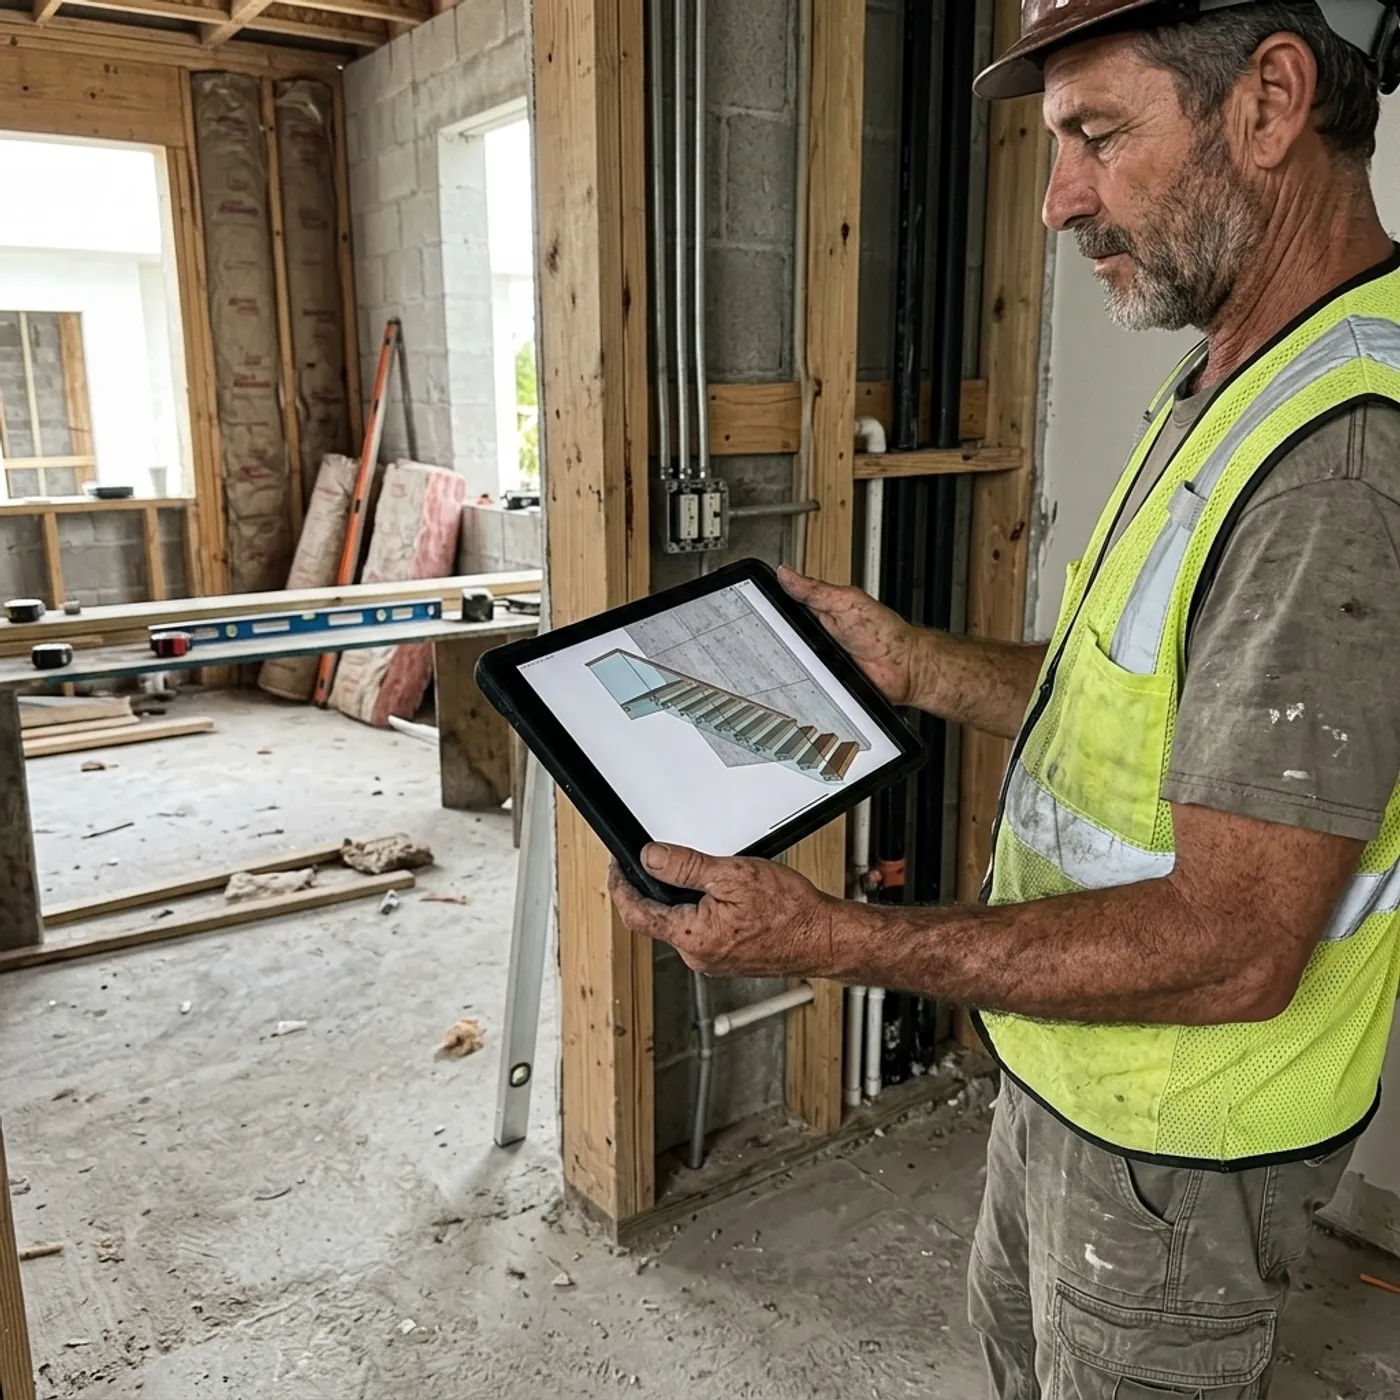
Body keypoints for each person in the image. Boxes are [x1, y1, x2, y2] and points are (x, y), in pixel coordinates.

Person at [611, 0, 1400, 1393]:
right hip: (1078, 1071)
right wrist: (909, 664)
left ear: (1270, 103)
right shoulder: (1235, 376)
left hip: (1180, 1135)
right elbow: (1157, 701)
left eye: (1098, 134)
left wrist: (836, 939)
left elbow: (1235, 945)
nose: (1056, 204)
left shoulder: (1339, 465)